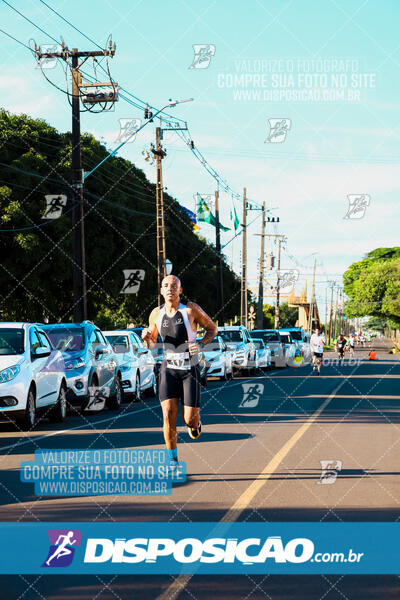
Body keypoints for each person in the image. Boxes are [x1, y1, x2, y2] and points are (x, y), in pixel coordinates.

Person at [142, 275, 217, 471]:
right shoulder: (156, 314)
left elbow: (212, 329)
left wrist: (200, 344)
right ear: (161, 290)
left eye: (174, 285)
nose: (170, 288)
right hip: (169, 368)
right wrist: (146, 337)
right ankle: (172, 461)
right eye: (166, 285)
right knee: (167, 415)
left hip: (189, 368)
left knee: (188, 419)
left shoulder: (191, 310)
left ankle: (196, 424)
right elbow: (151, 344)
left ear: (180, 290)